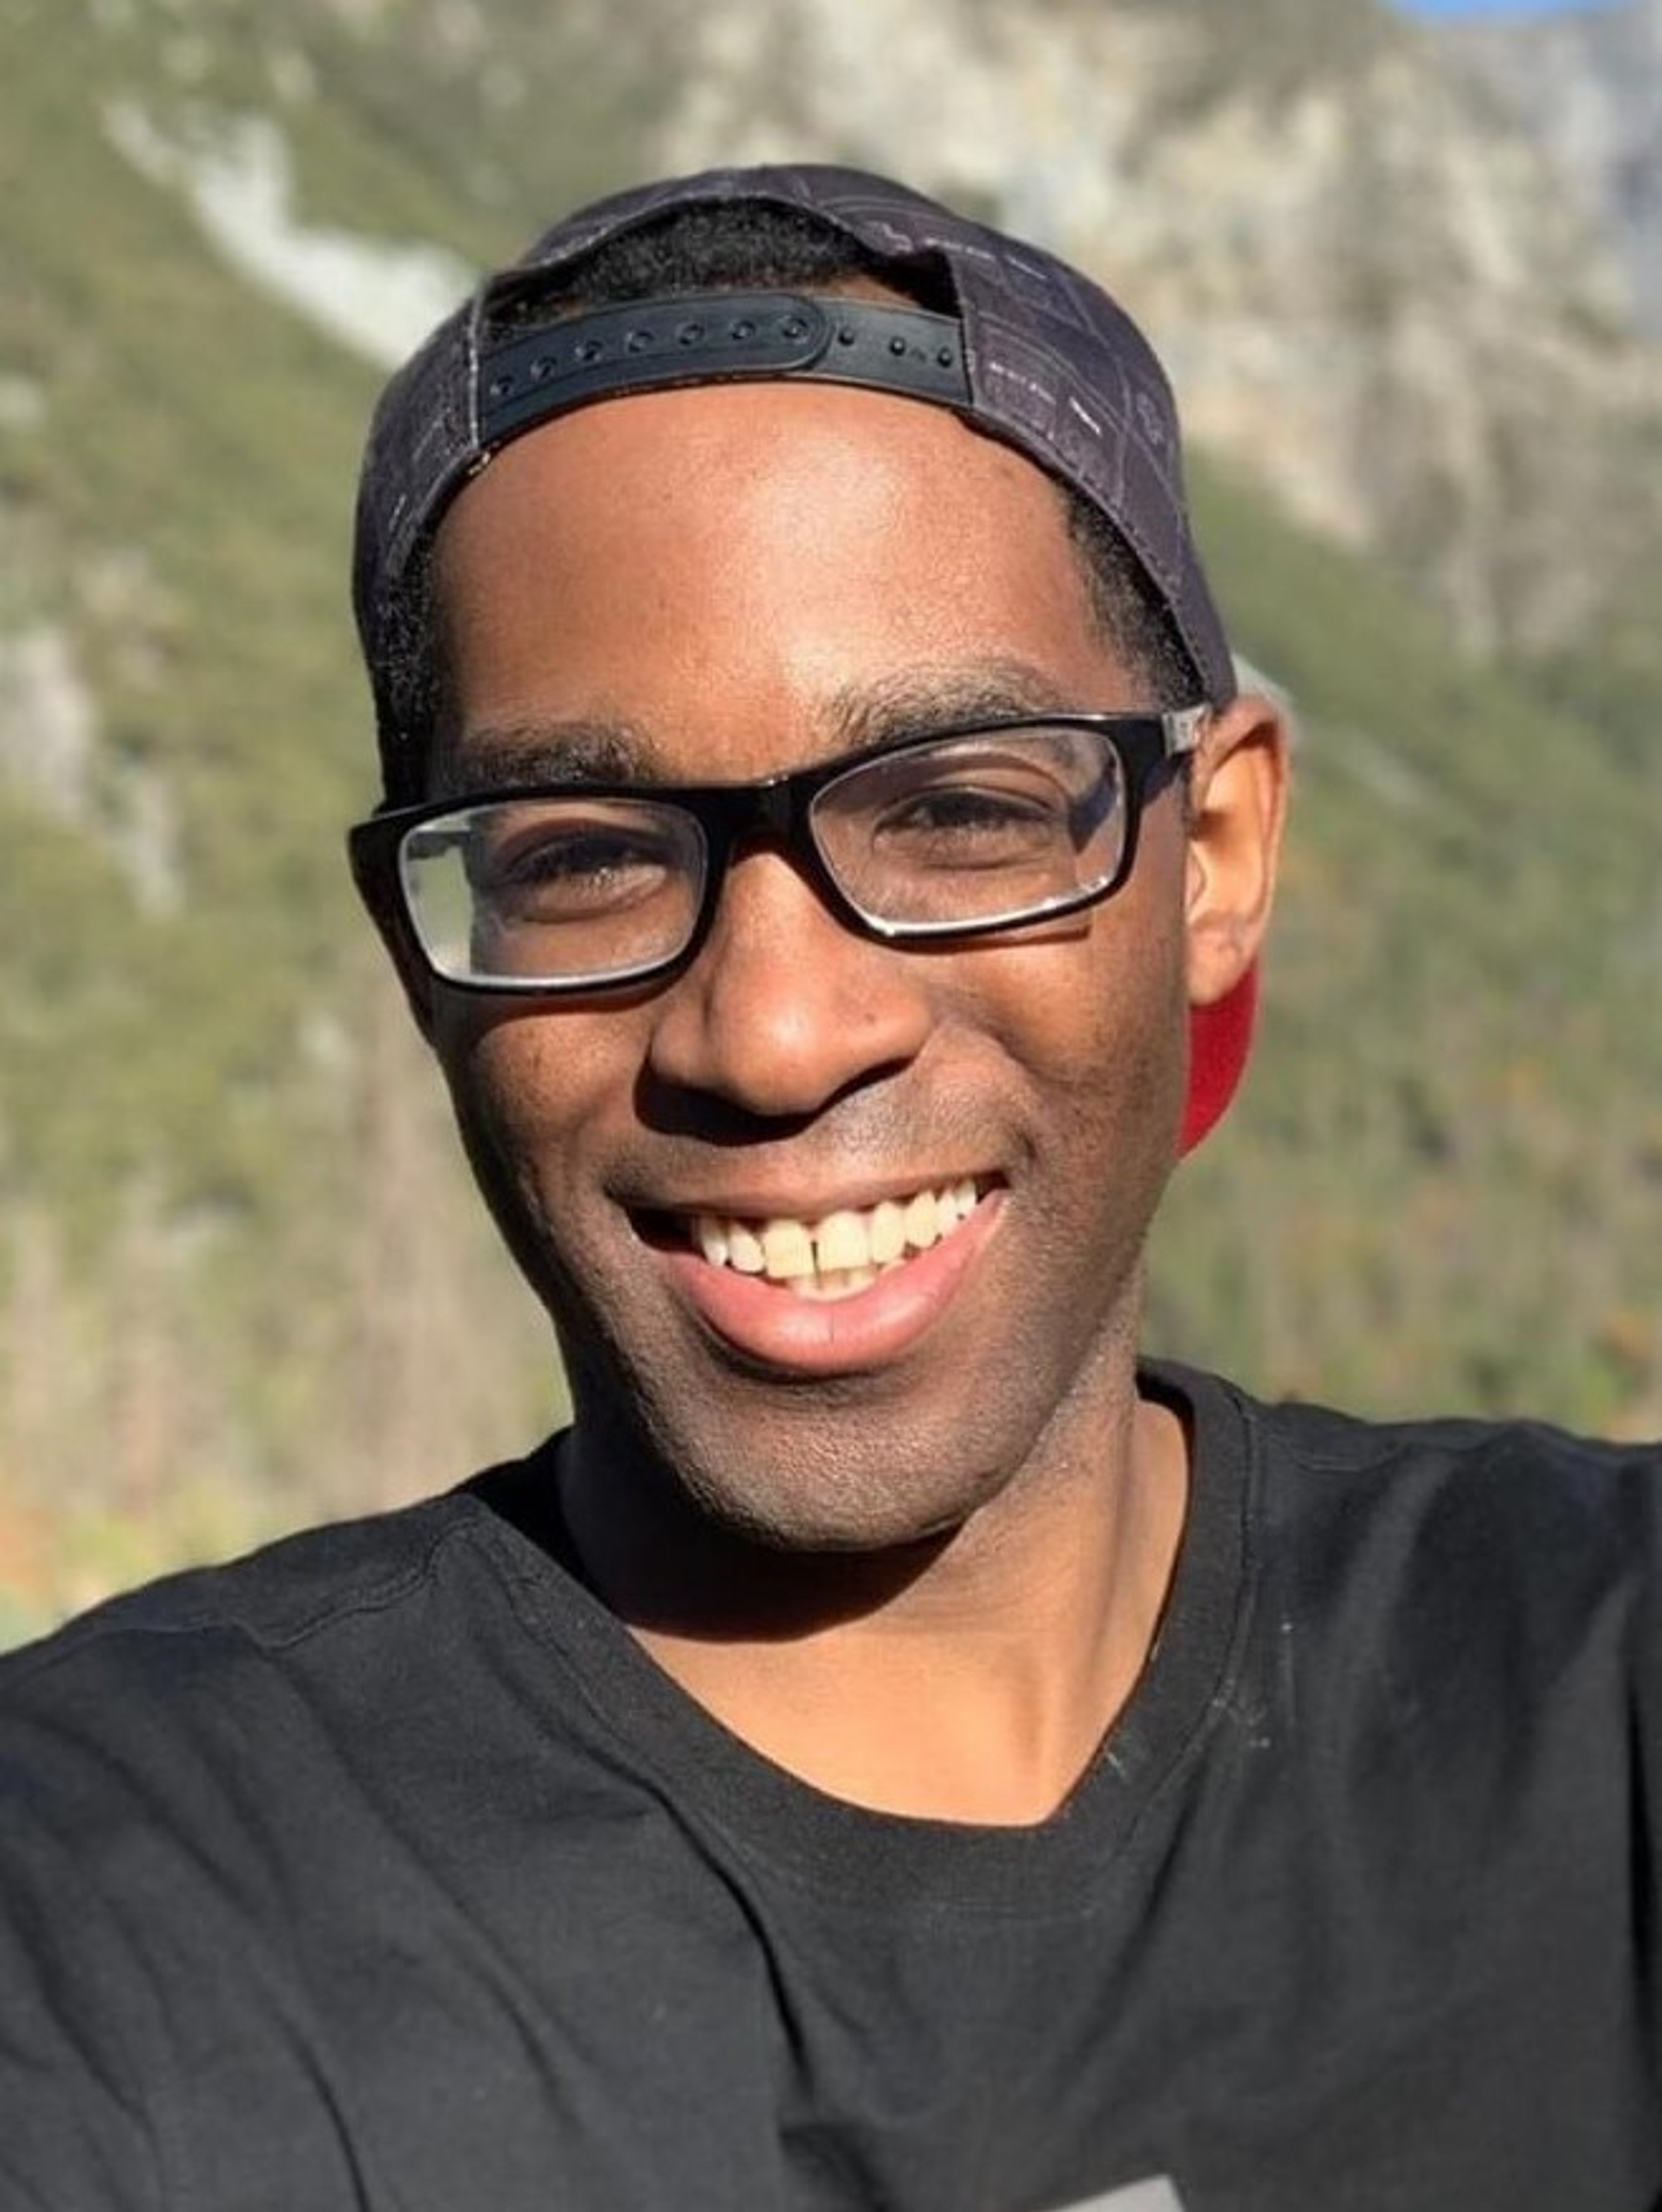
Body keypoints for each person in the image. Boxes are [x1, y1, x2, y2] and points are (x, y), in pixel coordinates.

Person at [1, 163, 1658, 2212]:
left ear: (1214, 856)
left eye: (960, 810)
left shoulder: (1604, 1695)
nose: (775, 1034)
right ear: (426, 963)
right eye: (585, 853)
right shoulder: (109, 1926)